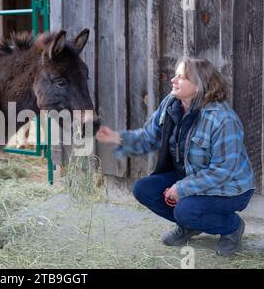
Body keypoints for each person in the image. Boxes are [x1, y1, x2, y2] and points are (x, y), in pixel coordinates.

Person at [96, 57, 255, 256]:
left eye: (181, 77)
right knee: (143, 189)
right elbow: (149, 137)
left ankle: (231, 227)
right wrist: (116, 138)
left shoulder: (223, 119)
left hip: (231, 188)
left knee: (185, 210)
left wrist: (182, 188)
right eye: (175, 75)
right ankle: (189, 225)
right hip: (189, 175)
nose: (173, 80)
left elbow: (223, 170)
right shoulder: (171, 104)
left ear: (198, 86)